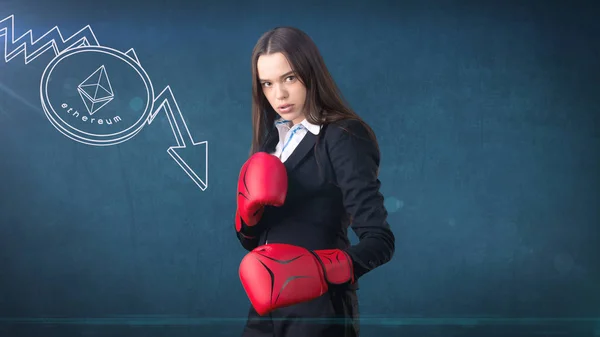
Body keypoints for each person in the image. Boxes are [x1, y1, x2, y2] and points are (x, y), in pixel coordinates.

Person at [234, 26, 395, 337]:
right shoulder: (272, 143)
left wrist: (319, 271)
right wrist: (247, 218)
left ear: (311, 72)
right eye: (267, 84)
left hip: (320, 310)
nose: (278, 95)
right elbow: (254, 243)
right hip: (265, 309)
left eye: (289, 78)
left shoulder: (343, 136)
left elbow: (380, 239)